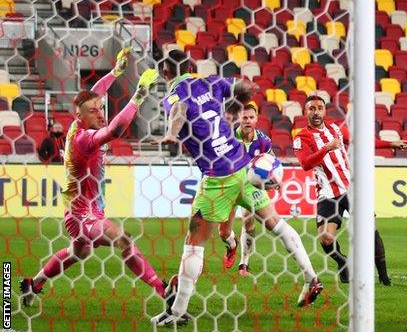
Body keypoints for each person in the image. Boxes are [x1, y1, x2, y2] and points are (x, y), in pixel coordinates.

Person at [151, 50, 322, 327]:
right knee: (276, 224)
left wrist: (171, 132)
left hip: (217, 179)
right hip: (242, 168)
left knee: (193, 246)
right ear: (191, 66)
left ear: (166, 73)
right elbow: (247, 88)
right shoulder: (212, 82)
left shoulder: (172, 93)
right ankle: (312, 277)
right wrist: (238, 98)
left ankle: (176, 312)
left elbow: (179, 110)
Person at [19, 48, 167, 306]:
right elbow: (115, 130)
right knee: (122, 239)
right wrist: (139, 97)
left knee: (78, 253)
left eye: (101, 108)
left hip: (77, 212)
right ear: (80, 116)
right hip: (84, 215)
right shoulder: (84, 139)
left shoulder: (78, 123)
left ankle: (34, 283)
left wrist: (116, 72)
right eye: (94, 111)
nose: (100, 113)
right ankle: (163, 290)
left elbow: (95, 94)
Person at [293, 95, 407, 286]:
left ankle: (384, 277)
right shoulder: (301, 137)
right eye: (311, 108)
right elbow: (305, 164)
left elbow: (360, 140)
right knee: (326, 238)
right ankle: (342, 262)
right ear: (306, 112)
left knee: (371, 231)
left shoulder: (335, 129)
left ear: (324, 111)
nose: (316, 112)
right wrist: (327, 148)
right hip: (328, 193)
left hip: (351, 189)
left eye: (319, 108)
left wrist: (390, 144)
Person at [218, 103, 273, 276]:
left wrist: (272, 179)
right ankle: (232, 245)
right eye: (244, 117)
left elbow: (270, 161)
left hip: (250, 186)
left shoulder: (264, 141)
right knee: (223, 232)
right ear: (239, 119)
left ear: (256, 119)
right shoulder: (229, 137)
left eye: (251, 117)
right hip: (229, 184)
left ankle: (244, 263)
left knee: (249, 220)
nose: (248, 121)